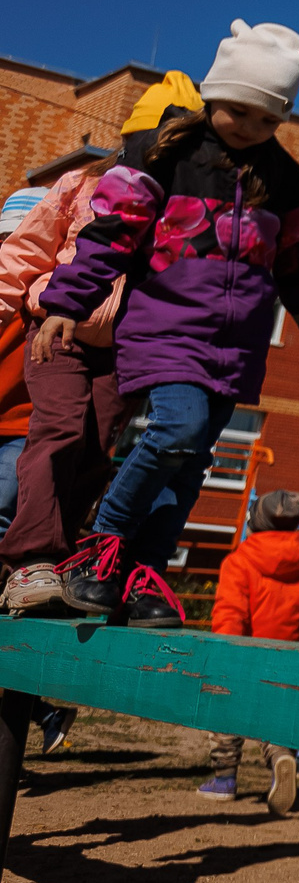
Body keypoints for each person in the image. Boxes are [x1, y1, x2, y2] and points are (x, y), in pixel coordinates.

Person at [30, 26, 299, 624]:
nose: (250, 127)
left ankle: (144, 572)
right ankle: (100, 547)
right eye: (238, 111)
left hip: (235, 349)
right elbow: (110, 235)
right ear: (215, 95)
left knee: (193, 461)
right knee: (177, 431)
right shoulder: (164, 154)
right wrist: (67, 302)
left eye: (268, 119)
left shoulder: (283, 178)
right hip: (165, 329)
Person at [0, 74, 202, 613]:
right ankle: (29, 559)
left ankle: (63, 556)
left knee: (95, 448)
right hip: (56, 331)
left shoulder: (177, 207)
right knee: (58, 429)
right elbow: (24, 253)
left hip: (121, 351)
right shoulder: (81, 184)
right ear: (132, 138)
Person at [202, 489, 299, 813]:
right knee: (275, 715)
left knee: (226, 712)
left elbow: (230, 612)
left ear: (256, 521)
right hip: (287, 656)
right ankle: (282, 757)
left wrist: (224, 654)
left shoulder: (239, 560)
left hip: (242, 651)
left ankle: (224, 780)